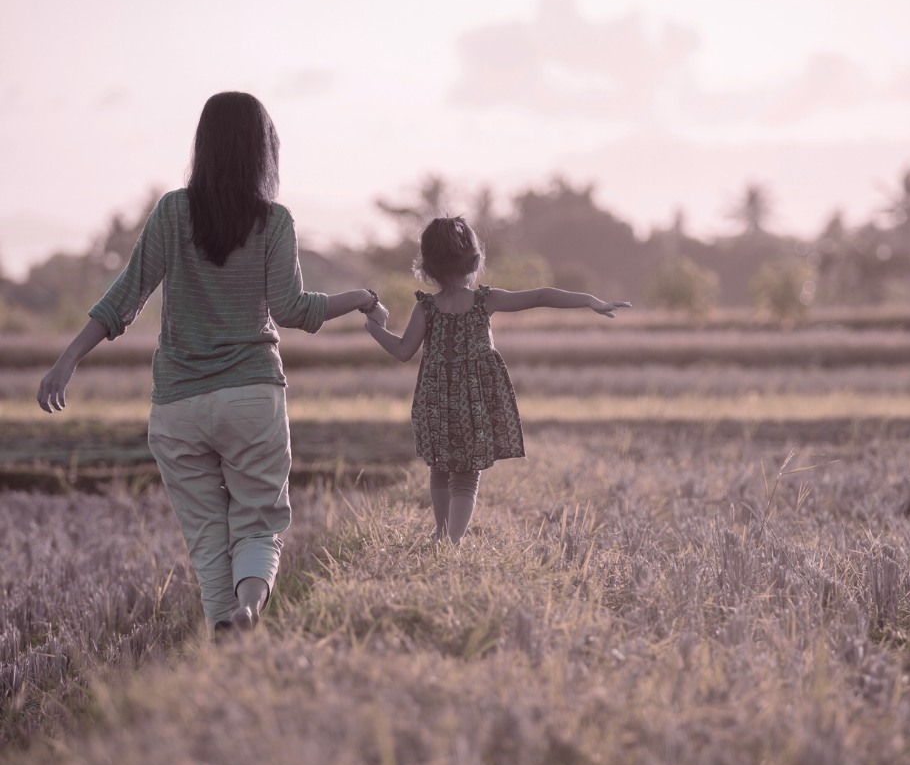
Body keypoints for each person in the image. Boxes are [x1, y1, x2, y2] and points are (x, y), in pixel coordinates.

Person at [36, 91, 380, 641]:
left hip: (178, 405)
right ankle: (247, 610)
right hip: (250, 396)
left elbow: (125, 297)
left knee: (205, 542)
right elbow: (293, 310)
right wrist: (361, 297)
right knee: (259, 524)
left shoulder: (173, 211)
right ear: (263, 151)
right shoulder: (275, 221)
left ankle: (224, 642)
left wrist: (67, 360)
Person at [363, 216, 630, 543]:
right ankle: (453, 542)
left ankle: (441, 531)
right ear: (475, 261)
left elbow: (403, 350)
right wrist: (590, 301)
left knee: (440, 467)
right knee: (465, 476)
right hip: (475, 402)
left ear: (427, 266)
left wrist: (375, 330)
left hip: (436, 401)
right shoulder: (484, 301)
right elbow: (541, 296)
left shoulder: (426, 308)